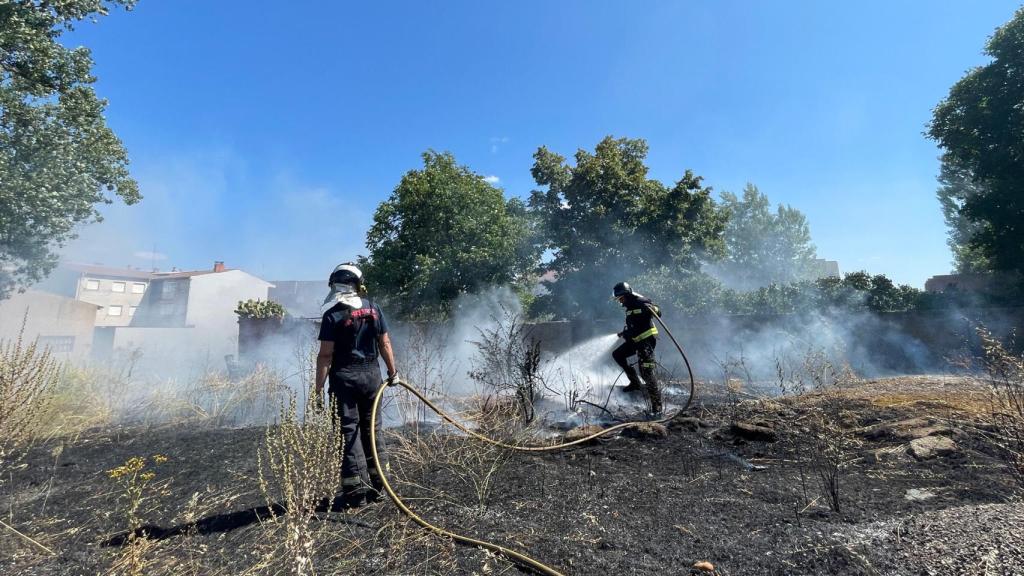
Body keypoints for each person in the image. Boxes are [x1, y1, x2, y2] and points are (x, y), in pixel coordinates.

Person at [315, 262, 399, 508]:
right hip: (371, 377)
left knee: (348, 433)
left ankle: (356, 494)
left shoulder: (332, 316)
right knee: (373, 429)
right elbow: (385, 343)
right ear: (357, 285)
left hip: (344, 381)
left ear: (335, 286)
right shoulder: (374, 309)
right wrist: (393, 373)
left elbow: (325, 356)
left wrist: (318, 388)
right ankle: (380, 487)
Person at [611, 281, 663, 415]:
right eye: (618, 299)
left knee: (646, 372)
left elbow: (658, 311)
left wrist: (652, 308)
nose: (620, 301)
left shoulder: (640, 301)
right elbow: (636, 324)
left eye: (621, 298)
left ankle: (657, 408)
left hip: (646, 342)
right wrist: (625, 333)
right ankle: (635, 383)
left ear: (627, 294)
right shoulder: (629, 306)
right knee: (618, 355)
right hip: (636, 341)